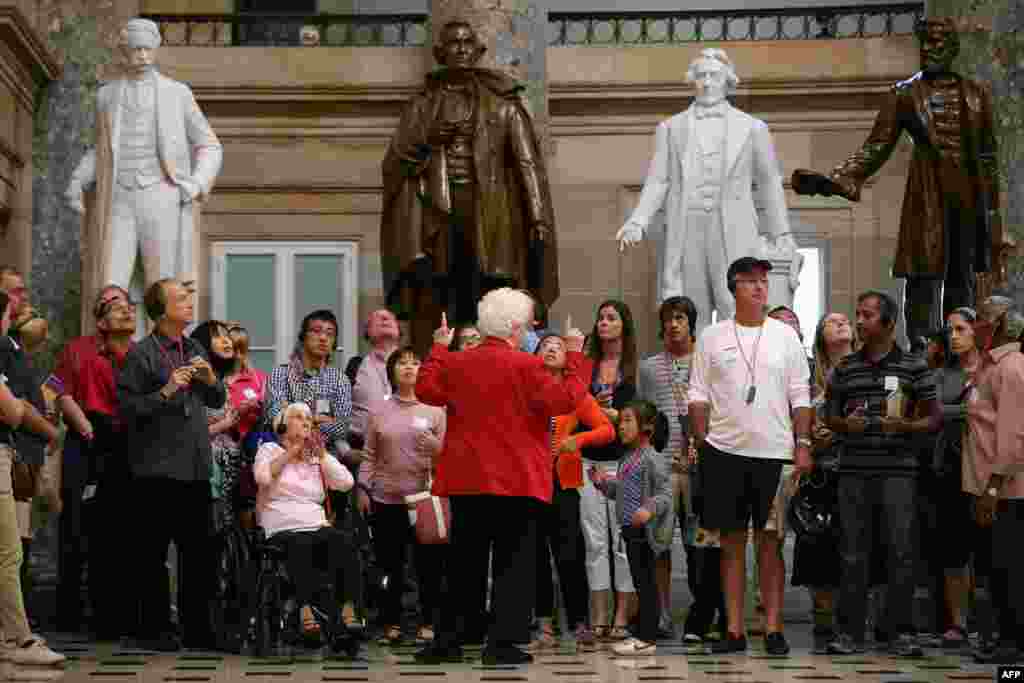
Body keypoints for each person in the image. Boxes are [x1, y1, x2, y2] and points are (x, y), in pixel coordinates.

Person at [792, 18, 1006, 347]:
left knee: (962, 277)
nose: (930, 49)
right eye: (925, 43)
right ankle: (921, 348)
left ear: (953, 47)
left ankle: (957, 350)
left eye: (938, 43)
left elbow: (989, 158)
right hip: (927, 195)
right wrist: (837, 180)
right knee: (922, 276)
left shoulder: (976, 95)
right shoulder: (905, 93)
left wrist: (993, 217)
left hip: (968, 195)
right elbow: (876, 146)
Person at [414, 288, 587, 665]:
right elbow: (564, 401)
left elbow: (426, 389)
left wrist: (440, 348)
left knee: (462, 563)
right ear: (512, 327)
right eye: (524, 326)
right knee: (513, 564)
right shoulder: (528, 366)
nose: (528, 333)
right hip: (516, 478)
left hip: (468, 477)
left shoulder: (458, 362)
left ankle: (450, 640)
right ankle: (502, 644)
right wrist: (574, 355)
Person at [380, 21, 558, 354]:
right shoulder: (420, 107)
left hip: (489, 210)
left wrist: (538, 218)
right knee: (440, 289)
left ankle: (493, 356)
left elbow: (527, 165)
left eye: (467, 42)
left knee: (488, 288)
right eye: (453, 43)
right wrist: (426, 140)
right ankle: (438, 356)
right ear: (439, 53)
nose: (461, 49)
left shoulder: (503, 103)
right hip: (437, 210)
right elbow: (393, 163)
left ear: (478, 51)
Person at [616, 48, 796, 333]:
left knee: (735, 303)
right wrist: (638, 220)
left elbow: (769, 181)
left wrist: (782, 233)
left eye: (714, 75)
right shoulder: (670, 128)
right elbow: (658, 180)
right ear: (692, 81)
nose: (708, 82)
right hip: (687, 226)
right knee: (689, 307)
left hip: (734, 226)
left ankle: (736, 370)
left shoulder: (752, 128)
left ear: (727, 80)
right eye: (701, 76)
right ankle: (695, 373)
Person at [688, 256, 812, 656]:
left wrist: (804, 443)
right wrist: (702, 438)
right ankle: (735, 630)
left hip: (774, 454)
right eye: (750, 281)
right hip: (724, 452)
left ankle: (773, 629)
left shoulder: (785, 337)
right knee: (731, 544)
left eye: (764, 280)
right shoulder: (711, 336)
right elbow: (697, 394)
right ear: (733, 288)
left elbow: (800, 395)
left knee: (771, 542)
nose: (760, 287)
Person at [65, 18, 223, 290]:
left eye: (148, 49)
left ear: (156, 49)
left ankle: (164, 334)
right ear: (124, 50)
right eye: (136, 49)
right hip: (118, 197)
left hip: (161, 193)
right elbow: (99, 149)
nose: (142, 55)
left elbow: (210, 144)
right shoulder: (106, 95)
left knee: (163, 286)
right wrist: (78, 180)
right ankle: (110, 332)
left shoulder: (177, 93)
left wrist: (197, 184)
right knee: (109, 282)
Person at [824, 290, 940, 657]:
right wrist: (847, 425)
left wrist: (905, 426)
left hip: (898, 474)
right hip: (854, 472)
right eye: (857, 314)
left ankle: (898, 632)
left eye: (867, 315)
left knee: (900, 552)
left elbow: (934, 417)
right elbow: (829, 416)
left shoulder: (914, 366)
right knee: (852, 553)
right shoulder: (845, 368)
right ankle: (849, 633)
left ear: (889, 323)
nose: (859, 321)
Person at [117, 278, 226, 651]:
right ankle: (155, 629)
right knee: (152, 556)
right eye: (181, 298)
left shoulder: (194, 346)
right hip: (156, 471)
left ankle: (199, 629)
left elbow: (215, 398)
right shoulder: (141, 354)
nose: (189, 302)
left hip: (195, 469)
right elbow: (128, 410)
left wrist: (212, 380)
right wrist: (164, 391)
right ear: (162, 310)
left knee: (199, 555)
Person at [46, 285, 133, 637]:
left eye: (129, 304)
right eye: (114, 304)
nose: (125, 310)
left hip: (124, 443)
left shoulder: (138, 353)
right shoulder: (77, 349)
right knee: (76, 526)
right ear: (99, 317)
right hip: (85, 438)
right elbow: (58, 391)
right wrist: (86, 430)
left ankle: (112, 614)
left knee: (116, 530)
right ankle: (68, 612)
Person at [357, 346, 446, 646]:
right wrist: (363, 487)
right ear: (392, 371)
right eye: (402, 363)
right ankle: (391, 622)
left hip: (424, 498)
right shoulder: (379, 411)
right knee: (390, 565)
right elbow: (369, 454)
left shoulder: (435, 410)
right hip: (385, 498)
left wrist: (436, 446)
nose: (409, 367)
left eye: (415, 362)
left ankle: (430, 621)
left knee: (429, 565)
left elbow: (448, 457)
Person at [532, 333, 615, 651]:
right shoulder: (526, 390)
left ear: (568, 358)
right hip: (530, 481)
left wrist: (576, 441)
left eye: (558, 346)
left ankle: (579, 622)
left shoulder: (576, 392)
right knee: (536, 555)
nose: (551, 349)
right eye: (544, 346)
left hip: (564, 483)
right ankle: (543, 623)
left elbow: (606, 429)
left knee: (569, 553)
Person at [254, 402, 355, 646]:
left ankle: (348, 609)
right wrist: (292, 452)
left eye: (308, 418)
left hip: (316, 523)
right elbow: (262, 477)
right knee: (301, 546)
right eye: (298, 417)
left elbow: (346, 483)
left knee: (344, 543)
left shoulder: (316, 456)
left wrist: (322, 456)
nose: (305, 421)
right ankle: (317, 616)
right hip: (281, 524)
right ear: (283, 425)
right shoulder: (269, 449)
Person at [0, 290, 65, 665]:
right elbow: (14, 410)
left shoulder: (26, 361)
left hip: (23, 457)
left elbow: (38, 399)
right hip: (13, 454)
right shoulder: (5, 352)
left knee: (13, 547)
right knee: (9, 551)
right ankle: (16, 638)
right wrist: (48, 429)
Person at [791, 312, 856, 652]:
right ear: (820, 337)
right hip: (820, 471)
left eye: (846, 320)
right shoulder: (809, 380)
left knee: (854, 544)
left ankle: (854, 617)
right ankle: (824, 616)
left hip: (856, 467)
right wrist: (812, 437)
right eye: (832, 322)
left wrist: (840, 427)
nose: (842, 323)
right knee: (818, 543)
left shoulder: (864, 369)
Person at [964, 297, 1024, 664]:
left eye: (983, 318)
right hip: (988, 486)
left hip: (1007, 489)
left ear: (1000, 324)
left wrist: (991, 487)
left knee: (1010, 568)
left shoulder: (1012, 367)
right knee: (994, 569)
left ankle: (1014, 642)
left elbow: (1014, 435)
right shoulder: (988, 367)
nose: (977, 325)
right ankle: (1003, 635)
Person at [589, 400, 673, 656]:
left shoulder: (652, 459)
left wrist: (648, 508)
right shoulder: (628, 458)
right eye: (620, 420)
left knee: (647, 584)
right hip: (630, 531)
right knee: (639, 582)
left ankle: (647, 637)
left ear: (647, 427)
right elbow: (623, 492)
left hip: (645, 533)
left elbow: (665, 494)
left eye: (628, 420)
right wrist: (603, 484)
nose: (621, 426)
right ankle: (641, 634)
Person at [930, 308, 990, 650]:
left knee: (989, 549)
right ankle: (957, 622)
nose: (953, 336)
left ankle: (990, 622)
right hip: (951, 465)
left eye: (961, 329)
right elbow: (936, 412)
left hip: (986, 466)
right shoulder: (943, 375)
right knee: (954, 549)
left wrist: (972, 410)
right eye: (949, 330)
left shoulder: (993, 370)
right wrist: (973, 410)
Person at [637, 297, 698, 637]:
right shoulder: (648, 367)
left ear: (691, 323)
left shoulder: (706, 361)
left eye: (680, 318)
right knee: (659, 545)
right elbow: (646, 418)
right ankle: (661, 614)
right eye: (668, 319)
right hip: (661, 469)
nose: (673, 325)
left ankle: (699, 614)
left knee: (698, 547)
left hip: (697, 468)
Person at [579, 300, 639, 641]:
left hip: (622, 461)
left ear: (623, 326)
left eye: (611, 318)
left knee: (621, 541)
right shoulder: (586, 368)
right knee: (595, 541)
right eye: (600, 317)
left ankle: (622, 615)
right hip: (590, 459)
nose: (603, 323)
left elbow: (646, 416)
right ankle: (599, 614)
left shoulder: (634, 368)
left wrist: (618, 416)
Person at [190, 321, 244, 530]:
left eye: (227, 335)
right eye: (218, 336)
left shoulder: (222, 380)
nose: (226, 340)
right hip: (205, 472)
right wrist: (225, 424)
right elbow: (190, 432)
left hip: (228, 471)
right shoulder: (196, 379)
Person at [225, 324, 268, 528]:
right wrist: (237, 411)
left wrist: (258, 407)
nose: (239, 355)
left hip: (252, 452)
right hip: (225, 448)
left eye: (243, 349)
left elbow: (269, 411)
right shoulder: (216, 381)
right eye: (234, 348)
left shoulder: (258, 379)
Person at [349, 309, 401, 449]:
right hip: (363, 451)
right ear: (367, 332)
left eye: (390, 317)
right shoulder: (355, 366)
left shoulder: (417, 366)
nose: (384, 318)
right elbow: (338, 413)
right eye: (377, 318)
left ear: (398, 330)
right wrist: (345, 452)